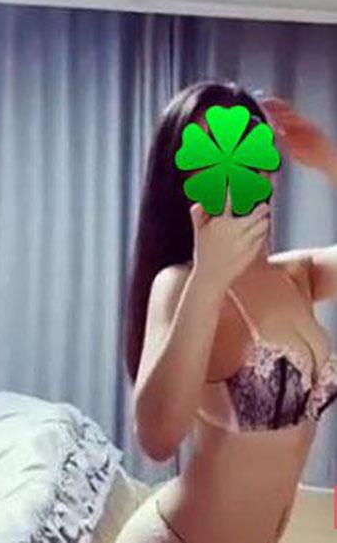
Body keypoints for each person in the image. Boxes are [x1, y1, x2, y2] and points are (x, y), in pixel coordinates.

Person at [117, 81, 337, 543]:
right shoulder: (180, 285)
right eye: (211, 153)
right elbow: (156, 439)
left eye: (248, 146)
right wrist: (209, 279)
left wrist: (328, 159)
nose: (236, 169)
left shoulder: (296, 276)